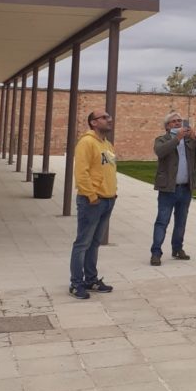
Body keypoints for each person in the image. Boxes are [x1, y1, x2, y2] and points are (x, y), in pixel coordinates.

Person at [150, 111, 196, 266]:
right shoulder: (162, 139)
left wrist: (194, 137)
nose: (178, 123)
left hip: (185, 188)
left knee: (181, 221)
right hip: (168, 189)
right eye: (174, 121)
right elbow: (160, 152)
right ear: (167, 126)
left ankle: (177, 249)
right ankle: (156, 252)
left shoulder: (190, 141)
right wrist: (177, 139)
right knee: (162, 221)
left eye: (180, 121)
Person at [69, 109, 117, 299]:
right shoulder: (86, 142)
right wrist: (91, 196)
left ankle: (91, 280)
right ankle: (76, 283)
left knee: (95, 243)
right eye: (104, 117)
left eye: (109, 116)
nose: (109, 119)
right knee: (83, 243)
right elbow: (81, 173)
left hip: (108, 199)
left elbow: (109, 170)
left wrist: (113, 192)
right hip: (92, 201)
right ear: (93, 122)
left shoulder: (107, 144)